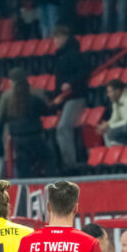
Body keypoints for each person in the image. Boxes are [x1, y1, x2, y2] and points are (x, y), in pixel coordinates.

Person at [0, 68, 57, 178]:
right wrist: (56, 104)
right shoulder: (34, 96)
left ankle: (24, 186)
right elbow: (46, 111)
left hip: (17, 137)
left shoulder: (6, 98)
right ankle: (50, 180)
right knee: (48, 157)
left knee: (23, 165)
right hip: (34, 136)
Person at [52, 26, 89, 172]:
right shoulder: (61, 55)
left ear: (64, 37)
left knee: (63, 128)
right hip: (65, 99)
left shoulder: (73, 54)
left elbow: (84, 71)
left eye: (56, 37)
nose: (54, 41)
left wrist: (70, 83)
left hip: (75, 97)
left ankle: (70, 164)